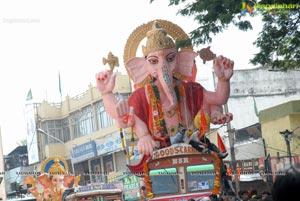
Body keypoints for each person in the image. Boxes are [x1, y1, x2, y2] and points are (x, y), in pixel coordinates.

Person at [95, 20, 234, 172]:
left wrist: (223, 80)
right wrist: (106, 93)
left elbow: (219, 99)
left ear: (181, 60)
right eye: (154, 61)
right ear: (142, 66)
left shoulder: (191, 90)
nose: (163, 66)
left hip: (194, 153)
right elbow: (122, 115)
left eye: (170, 59)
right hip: (160, 160)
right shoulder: (141, 96)